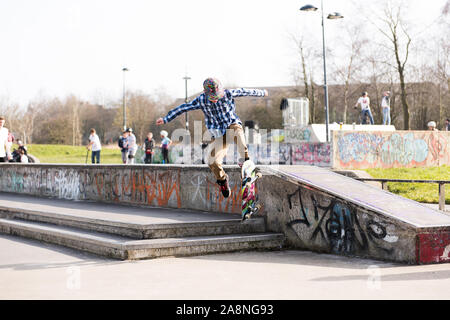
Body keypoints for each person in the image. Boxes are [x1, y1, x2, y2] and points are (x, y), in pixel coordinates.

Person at [156, 77, 268, 198]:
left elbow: (245, 91)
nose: (215, 100)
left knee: (237, 132)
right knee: (211, 161)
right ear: (206, 93)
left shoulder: (228, 93)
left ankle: (246, 160)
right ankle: (223, 180)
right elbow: (183, 107)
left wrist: (262, 92)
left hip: (231, 125)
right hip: (219, 135)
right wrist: (166, 118)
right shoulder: (201, 100)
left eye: (217, 96)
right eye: (212, 98)